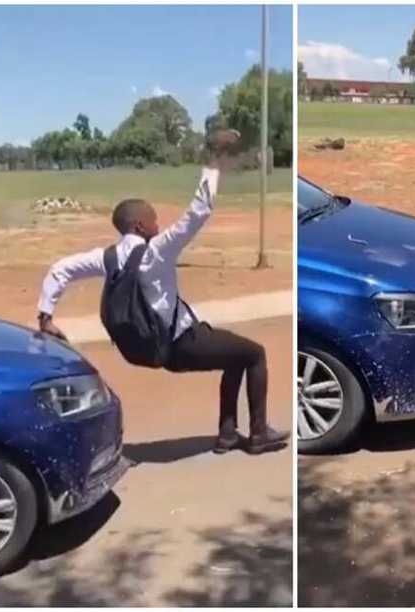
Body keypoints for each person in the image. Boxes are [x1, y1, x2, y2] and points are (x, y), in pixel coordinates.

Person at [36, 130, 290, 455]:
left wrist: (46, 315)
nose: (158, 224)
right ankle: (258, 435)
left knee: (235, 356)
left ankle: (228, 434)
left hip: (153, 349)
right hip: (182, 343)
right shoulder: (157, 251)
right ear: (140, 226)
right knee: (254, 354)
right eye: (153, 220)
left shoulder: (107, 257)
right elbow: (199, 211)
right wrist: (213, 159)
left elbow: (61, 268)